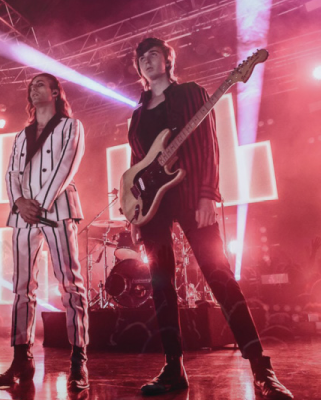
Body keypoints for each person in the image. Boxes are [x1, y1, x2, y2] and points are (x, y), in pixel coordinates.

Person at [126, 37, 292, 399]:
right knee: (160, 285)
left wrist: (206, 194)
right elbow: (136, 164)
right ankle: (173, 367)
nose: (146, 60)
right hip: (152, 207)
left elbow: (206, 144)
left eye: (154, 54)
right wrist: (135, 213)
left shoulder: (190, 94)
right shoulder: (137, 112)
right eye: (141, 58)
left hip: (189, 196)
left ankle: (261, 368)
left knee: (220, 279)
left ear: (168, 60)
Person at [0, 73, 89, 391]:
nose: (33, 89)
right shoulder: (21, 135)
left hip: (57, 212)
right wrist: (19, 202)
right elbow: (11, 173)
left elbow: (66, 165)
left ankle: (78, 361)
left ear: (56, 92)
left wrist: (39, 204)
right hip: (22, 217)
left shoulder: (70, 126)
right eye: (30, 86)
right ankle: (22, 359)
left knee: (70, 285)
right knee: (22, 289)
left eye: (40, 85)